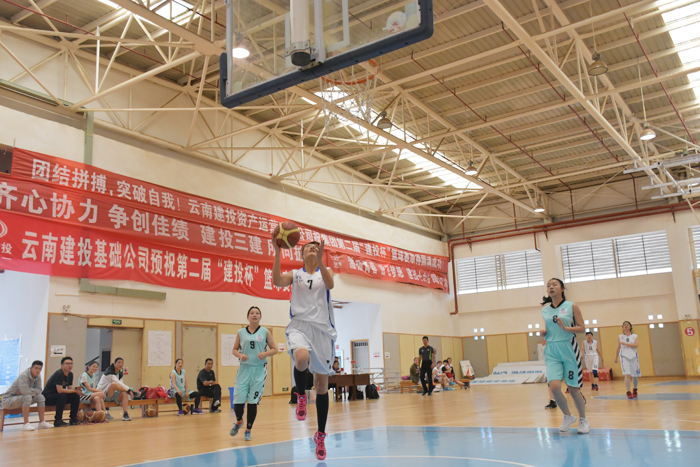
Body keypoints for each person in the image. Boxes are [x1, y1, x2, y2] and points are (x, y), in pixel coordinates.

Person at [272, 238, 335, 460]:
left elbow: (330, 285)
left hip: (322, 331)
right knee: (301, 358)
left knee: (321, 386)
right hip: (299, 326)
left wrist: (321, 261)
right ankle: (300, 395)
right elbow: (277, 280)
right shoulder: (295, 275)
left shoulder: (325, 272)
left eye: (316, 247)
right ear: (301, 254)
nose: (312, 248)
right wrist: (277, 252)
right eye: (308, 246)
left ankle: (320, 435)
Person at [541, 278, 589, 434]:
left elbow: (582, 328)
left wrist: (566, 328)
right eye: (548, 285)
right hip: (552, 350)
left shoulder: (572, 306)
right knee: (554, 387)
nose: (551, 287)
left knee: (573, 389)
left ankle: (583, 419)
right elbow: (550, 329)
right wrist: (544, 333)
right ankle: (567, 416)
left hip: (568, 348)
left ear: (562, 289)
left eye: (554, 284)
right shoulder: (545, 310)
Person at [229, 306, 278, 441]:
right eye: (252, 313)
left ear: (260, 317)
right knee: (238, 402)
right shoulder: (241, 332)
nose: (254, 315)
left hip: (259, 370)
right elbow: (234, 349)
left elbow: (274, 349)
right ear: (248, 316)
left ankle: (248, 430)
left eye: (257, 313)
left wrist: (265, 353)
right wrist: (240, 355)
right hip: (244, 370)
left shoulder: (265, 332)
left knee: (252, 402)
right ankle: (239, 421)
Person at [1, 360, 53, 431]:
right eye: (36, 368)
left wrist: (28, 390)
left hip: (21, 398)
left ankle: (42, 422)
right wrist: (29, 391)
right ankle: (26, 424)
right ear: (31, 368)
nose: (38, 370)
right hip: (8, 400)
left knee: (40, 397)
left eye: (40, 369)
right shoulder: (23, 376)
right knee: (27, 397)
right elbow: (25, 392)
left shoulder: (38, 376)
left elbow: (39, 390)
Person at [42, 356, 82, 427]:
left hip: (58, 396)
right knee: (62, 395)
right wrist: (74, 390)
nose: (70, 365)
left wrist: (76, 389)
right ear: (62, 365)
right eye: (67, 363)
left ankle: (73, 418)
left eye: (71, 363)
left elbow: (70, 388)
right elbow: (59, 390)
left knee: (75, 396)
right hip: (48, 397)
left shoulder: (70, 374)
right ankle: (58, 420)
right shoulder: (59, 374)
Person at [615, 321, 640, 399]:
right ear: (623, 327)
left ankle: (635, 389)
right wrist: (616, 357)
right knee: (627, 374)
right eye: (624, 325)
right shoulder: (620, 337)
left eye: (627, 324)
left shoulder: (635, 336)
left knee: (635, 375)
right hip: (624, 357)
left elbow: (636, 345)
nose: (626, 326)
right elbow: (618, 347)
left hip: (634, 357)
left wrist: (626, 344)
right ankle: (628, 391)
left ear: (630, 327)